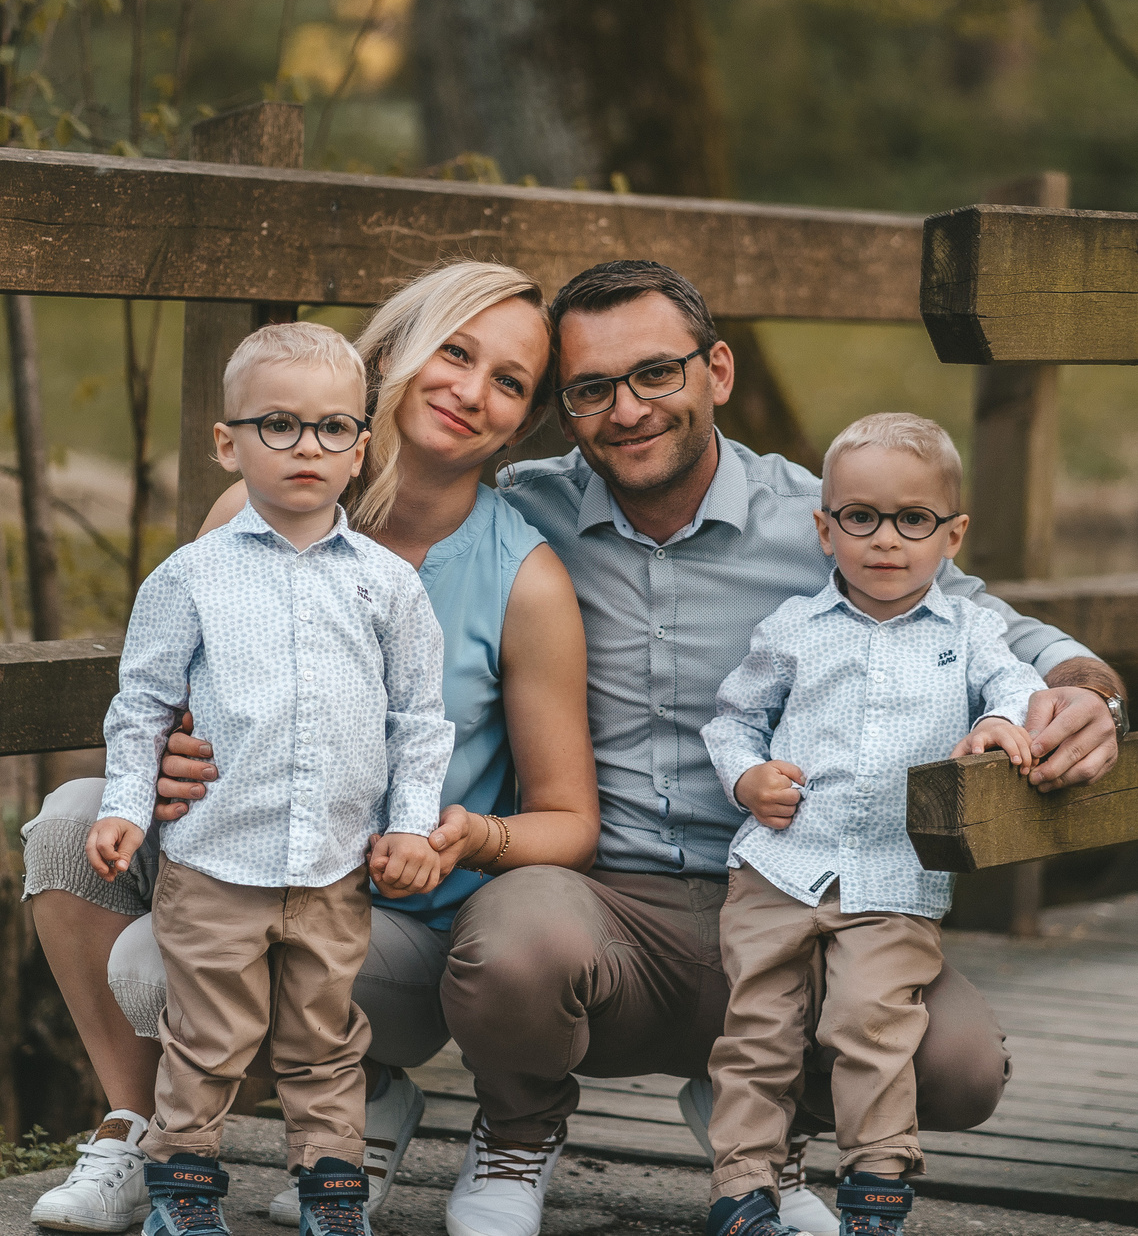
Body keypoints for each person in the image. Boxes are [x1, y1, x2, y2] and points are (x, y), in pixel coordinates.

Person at [433, 259, 1126, 1236]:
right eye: (590, 389)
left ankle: (766, 1123)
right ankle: (516, 1126)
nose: (625, 409)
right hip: (598, 902)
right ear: (564, 407)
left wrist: (1090, 692)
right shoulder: (521, 510)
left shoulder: (821, 519)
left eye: (656, 374)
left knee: (961, 1068)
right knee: (507, 948)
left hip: (801, 901)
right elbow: (380, 527)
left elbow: (993, 629)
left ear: (717, 370)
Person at [22, 262, 598, 1236]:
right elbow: (161, 694)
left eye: (508, 380)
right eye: (453, 352)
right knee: (66, 825)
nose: (471, 390)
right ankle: (133, 1130)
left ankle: (358, 1097)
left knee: (155, 968)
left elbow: (570, 822)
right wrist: (161, 762)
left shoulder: (523, 580)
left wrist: (467, 836)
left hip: (383, 913)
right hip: (233, 852)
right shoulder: (239, 519)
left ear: (523, 419)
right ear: (392, 357)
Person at [86, 319, 454, 1236]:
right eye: (278, 425)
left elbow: (417, 718)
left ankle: (332, 1194)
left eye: (334, 428)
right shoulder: (191, 578)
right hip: (216, 862)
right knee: (206, 1040)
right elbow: (142, 704)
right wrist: (130, 801)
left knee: (325, 1042)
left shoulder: (387, 585)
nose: (307, 448)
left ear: (361, 448)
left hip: (331, 867)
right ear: (229, 442)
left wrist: (408, 823)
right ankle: (183, 1191)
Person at [700, 412, 1049, 1236]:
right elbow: (732, 720)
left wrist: (1002, 723)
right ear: (826, 528)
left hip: (894, 879)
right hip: (781, 868)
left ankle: (874, 1190)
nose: (885, 540)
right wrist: (748, 776)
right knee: (758, 1030)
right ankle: (743, 1188)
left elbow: (1014, 684)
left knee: (870, 1023)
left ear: (952, 533)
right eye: (860, 517)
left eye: (912, 519)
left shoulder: (968, 634)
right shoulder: (793, 629)